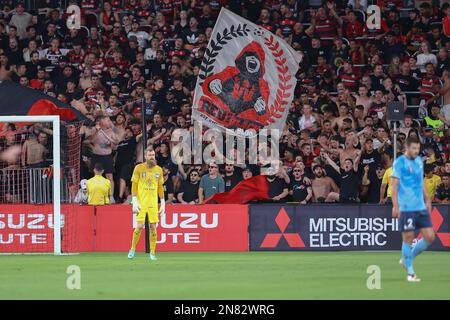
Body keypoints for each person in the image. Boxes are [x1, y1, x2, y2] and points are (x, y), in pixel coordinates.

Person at [391, 137, 435, 282]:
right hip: (406, 207)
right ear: (407, 148)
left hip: (420, 206)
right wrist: (396, 206)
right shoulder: (399, 163)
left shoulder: (418, 161)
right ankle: (410, 272)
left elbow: (420, 181)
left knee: (430, 237)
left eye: (418, 148)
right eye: (414, 148)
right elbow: (394, 186)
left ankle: (406, 259)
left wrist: (427, 198)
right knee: (408, 238)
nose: (416, 151)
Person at [128, 147, 165, 261]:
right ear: (145, 156)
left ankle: (153, 252)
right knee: (139, 227)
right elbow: (134, 185)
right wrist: (134, 200)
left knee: (153, 227)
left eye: (153, 155)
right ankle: (132, 249)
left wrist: (163, 202)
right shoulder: (139, 168)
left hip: (153, 204)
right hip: (141, 202)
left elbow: (160, 187)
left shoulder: (159, 170)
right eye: (149, 155)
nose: (151, 157)